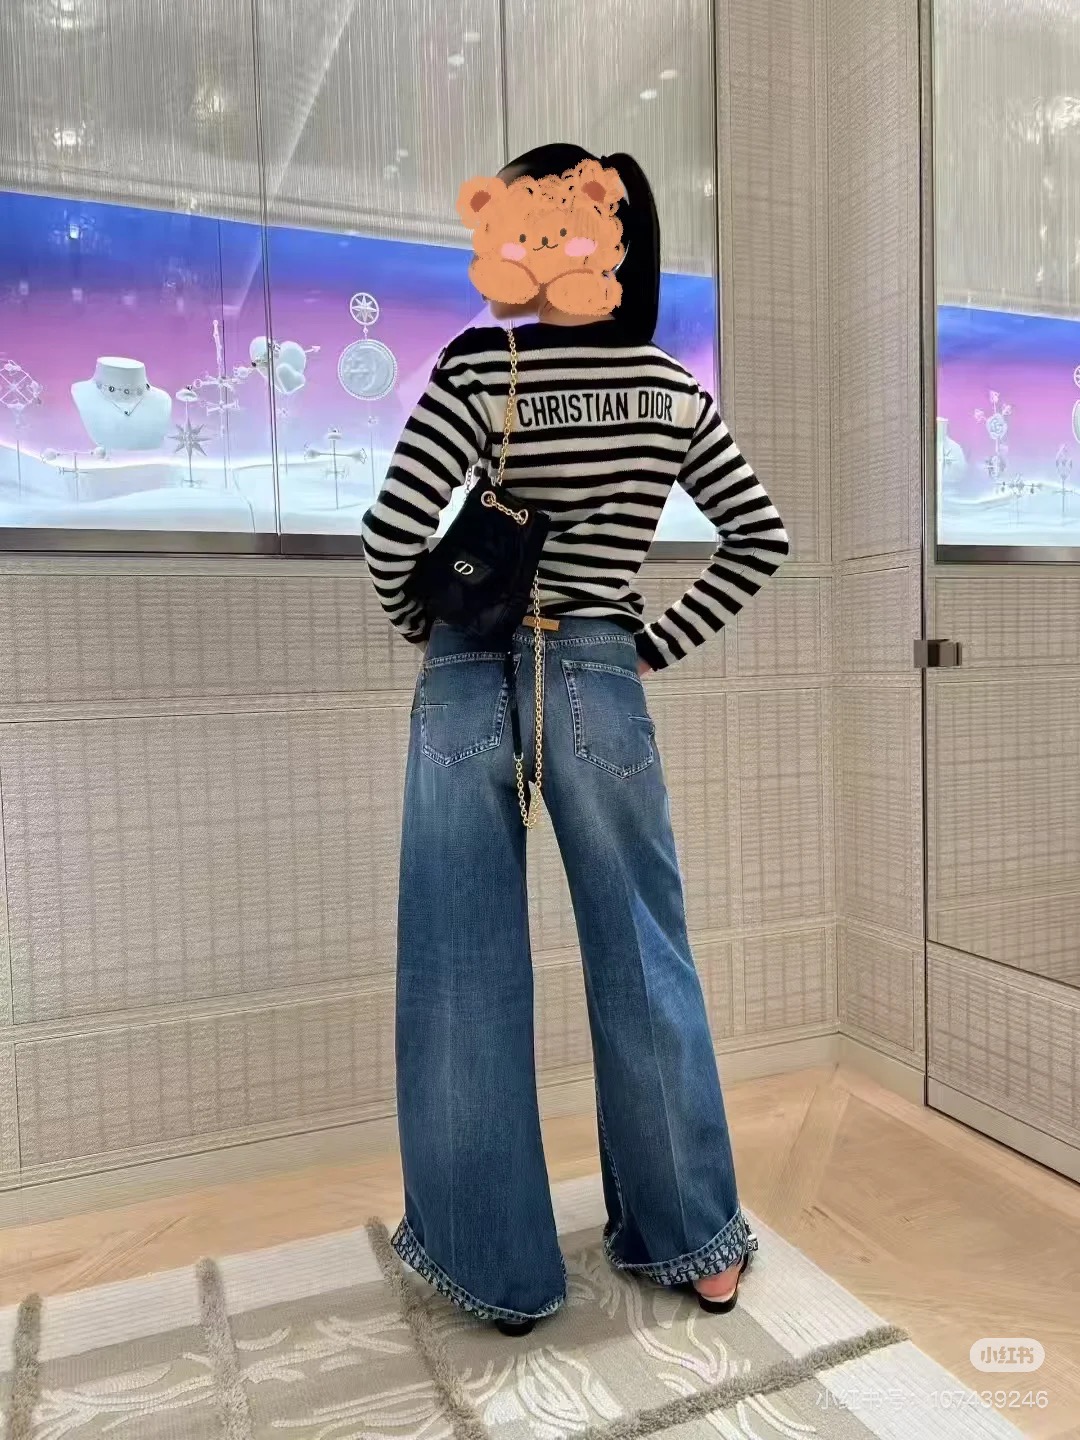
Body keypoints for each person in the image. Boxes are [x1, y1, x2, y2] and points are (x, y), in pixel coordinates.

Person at [362, 143, 789, 1338]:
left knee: (461, 964)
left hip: (469, 674)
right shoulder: (669, 387)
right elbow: (760, 538)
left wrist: (423, 623)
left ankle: (499, 1272)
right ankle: (696, 1246)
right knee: (644, 956)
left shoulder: (481, 366)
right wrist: (650, 645)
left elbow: (393, 531)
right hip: (599, 670)